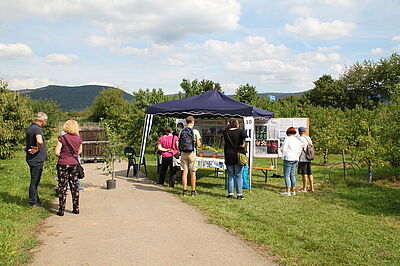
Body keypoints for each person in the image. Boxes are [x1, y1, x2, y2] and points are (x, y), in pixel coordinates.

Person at [54, 120, 83, 216]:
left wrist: (63, 154)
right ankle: (76, 208)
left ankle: (61, 209)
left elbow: (56, 152)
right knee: (74, 186)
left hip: (62, 163)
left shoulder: (61, 138)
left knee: (62, 186)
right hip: (74, 164)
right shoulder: (79, 139)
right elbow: (79, 151)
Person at [25, 112, 48, 207]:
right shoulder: (37, 129)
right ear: (42, 121)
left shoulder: (30, 128)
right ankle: (33, 202)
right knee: (35, 180)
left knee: (35, 180)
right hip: (36, 159)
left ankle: (36, 199)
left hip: (31, 158)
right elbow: (39, 140)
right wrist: (38, 148)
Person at [223, 119, 248, 200]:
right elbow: (247, 139)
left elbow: (226, 129)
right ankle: (239, 194)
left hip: (229, 155)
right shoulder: (241, 132)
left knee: (230, 175)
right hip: (238, 155)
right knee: (238, 175)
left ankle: (230, 193)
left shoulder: (225, 132)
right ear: (237, 124)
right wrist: (244, 145)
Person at [179, 116, 201, 196]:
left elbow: (179, 142)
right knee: (193, 172)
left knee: (184, 172)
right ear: (193, 122)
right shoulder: (195, 131)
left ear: (186, 122)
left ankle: (184, 191)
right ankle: (193, 191)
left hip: (183, 153)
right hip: (192, 152)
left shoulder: (182, 131)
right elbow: (198, 145)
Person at [280, 127, 303, 196]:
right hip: (295, 158)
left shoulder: (287, 139)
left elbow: (284, 149)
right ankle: (293, 190)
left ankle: (288, 191)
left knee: (287, 175)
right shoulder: (297, 140)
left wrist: (282, 153)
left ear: (288, 133)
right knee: (292, 174)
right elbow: (300, 150)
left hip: (288, 158)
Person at [297, 126, 315, 192]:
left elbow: (301, 148)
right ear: (304, 131)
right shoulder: (308, 138)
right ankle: (312, 187)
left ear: (299, 132)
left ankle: (304, 188)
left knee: (304, 173)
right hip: (309, 157)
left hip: (303, 158)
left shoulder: (300, 138)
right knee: (309, 173)